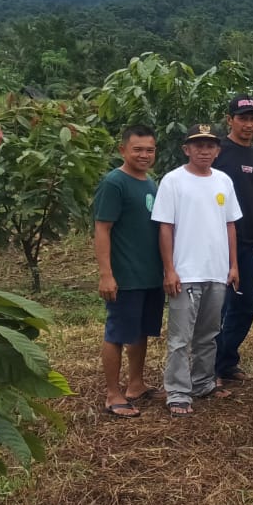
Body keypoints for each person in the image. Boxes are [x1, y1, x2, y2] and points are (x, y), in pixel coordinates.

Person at [152, 124, 243, 417]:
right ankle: (177, 391)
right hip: (186, 272)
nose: (204, 151)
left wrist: (233, 265)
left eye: (210, 146)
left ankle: (203, 382)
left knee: (209, 333)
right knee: (180, 338)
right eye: (198, 145)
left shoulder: (223, 181)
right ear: (186, 149)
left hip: (216, 271)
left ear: (217, 151)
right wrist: (169, 269)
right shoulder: (173, 181)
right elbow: (165, 227)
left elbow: (230, 225)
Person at [93, 124, 164, 418]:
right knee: (117, 333)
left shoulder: (151, 183)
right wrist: (106, 274)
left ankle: (136, 384)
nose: (144, 155)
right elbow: (102, 228)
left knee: (140, 331)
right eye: (137, 149)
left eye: (149, 150)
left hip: (150, 275)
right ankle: (113, 393)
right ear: (123, 150)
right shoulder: (114, 183)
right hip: (126, 276)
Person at [212, 94, 253, 387]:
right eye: (242, 118)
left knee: (245, 306)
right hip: (219, 240)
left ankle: (226, 361)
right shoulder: (217, 151)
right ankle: (209, 366)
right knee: (218, 306)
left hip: (249, 241)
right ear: (229, 120)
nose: (248, 124)